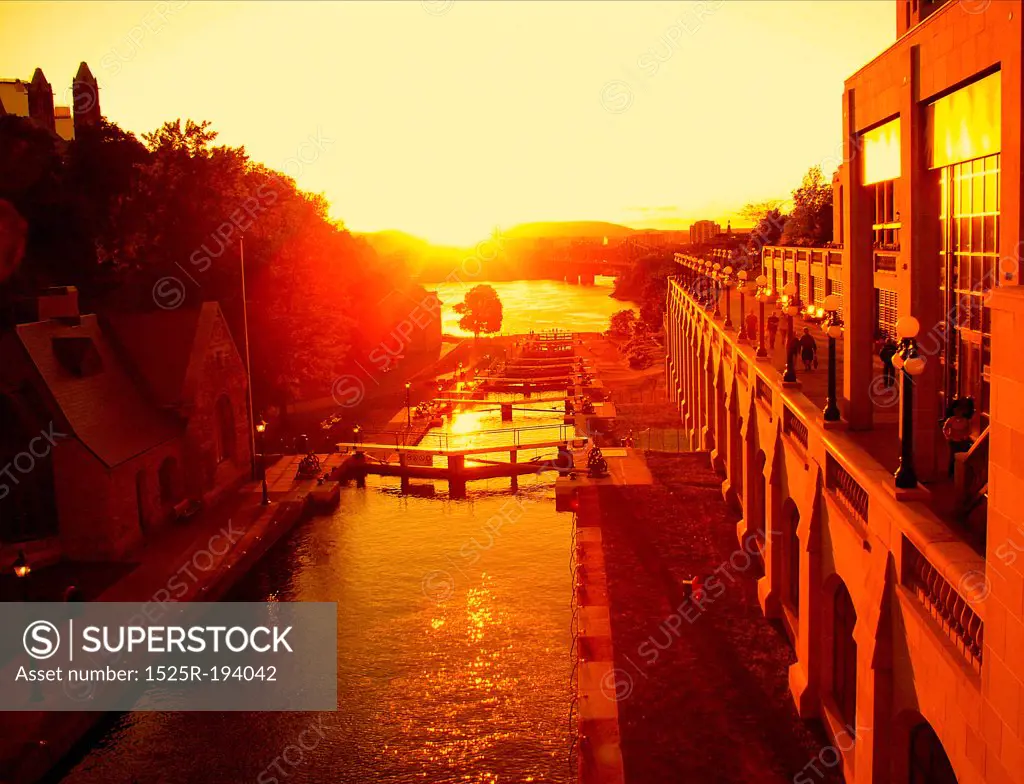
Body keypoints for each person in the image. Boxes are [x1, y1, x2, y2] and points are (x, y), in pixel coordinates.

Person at [942, 398, 974, 478]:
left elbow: (969, 430)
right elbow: (945, 429)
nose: (958, 413)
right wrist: (948, 436)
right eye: (956, 411)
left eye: (959, 411)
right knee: (952, 457)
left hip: (962, 441)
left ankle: (961, 473)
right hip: (953, 440)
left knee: (962, 457)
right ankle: (951, 472)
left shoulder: (966, 421)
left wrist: (965, 436)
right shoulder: (951, 420)